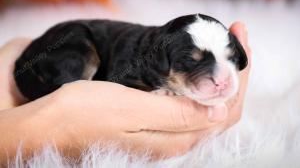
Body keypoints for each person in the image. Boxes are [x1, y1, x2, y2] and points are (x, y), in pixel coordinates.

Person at [0, 22, 251, 163]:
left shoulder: (165, 53)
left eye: (229, 59)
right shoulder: (141, 64)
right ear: (162, 61)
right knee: (83, 53)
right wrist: (41, 124)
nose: (220, 79)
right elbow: (119, 88)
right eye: (193, 62)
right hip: (68, 44)